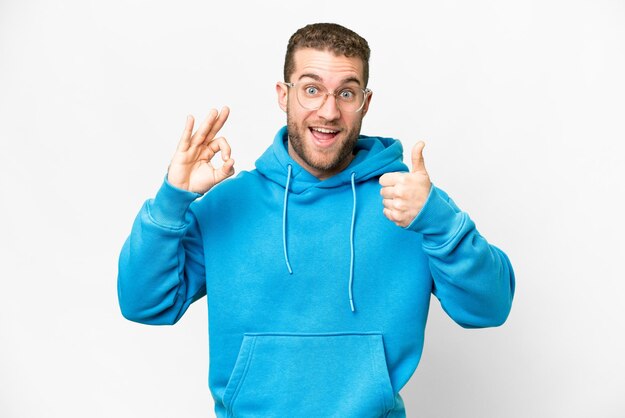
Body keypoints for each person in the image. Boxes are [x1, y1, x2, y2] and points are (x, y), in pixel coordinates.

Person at [118, 22, 515, 418]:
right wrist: (172, 200)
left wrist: (442, 222)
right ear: (282, 95)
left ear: (365, 102)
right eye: (311, 89)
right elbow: (144, 304)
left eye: (346, 92)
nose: (329, 111)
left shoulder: (408, 202)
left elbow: (488, 308)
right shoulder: (229, 203)